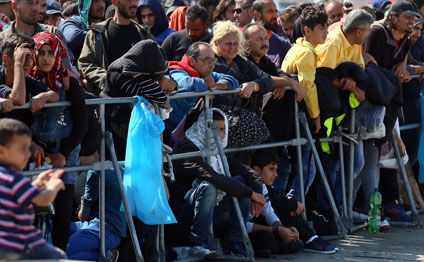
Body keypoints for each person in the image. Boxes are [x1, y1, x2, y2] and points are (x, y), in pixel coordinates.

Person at [168, 108, 265, 256]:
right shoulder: (187, 151)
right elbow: (212, 176)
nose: (217, 134)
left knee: (241, 181)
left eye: (221, 129)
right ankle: (198, 242)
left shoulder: (217, 152)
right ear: (202, 127)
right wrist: (251, 193)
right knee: (209, 186)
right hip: (183, 215)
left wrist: (256, 192)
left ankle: (234, 241)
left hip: (211, 214)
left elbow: (248, 172)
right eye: (212, 128)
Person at [29, 31, 88, 251]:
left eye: (50, 53)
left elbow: (82, 123)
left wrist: (62, 153)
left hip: (66, 156)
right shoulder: (29, 81)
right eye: (41, 53)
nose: (45, 58)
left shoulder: (68, 82)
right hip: (37, 156)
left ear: (57, 55)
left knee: (63, 216)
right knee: (35, 215)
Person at [364, 0, 418, 222]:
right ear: (393, 17)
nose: (412, 22)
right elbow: (368, 64)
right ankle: (365, 207)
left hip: (390, 101)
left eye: (414, 18)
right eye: (408, 18)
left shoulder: (405, 35)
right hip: (372, 102)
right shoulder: (376, 32)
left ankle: (390, 204)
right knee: (369, 156)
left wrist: (403, 67)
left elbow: (401, 59)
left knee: (388, 154)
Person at [249, 149, 338, 256]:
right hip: (243, 232)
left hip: (262, 224)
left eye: (276, 170)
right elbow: (242, 225)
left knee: (289, 218)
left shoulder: (262, 186)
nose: (276, 174)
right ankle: (304, 240)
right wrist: (276, 229)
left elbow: (269, 213)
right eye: (271, 169)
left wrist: (282, 228)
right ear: (257, 170)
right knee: (268, 238)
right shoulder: (246, 187)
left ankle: (309, 238)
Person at [0, 118, 66, 259]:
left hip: (3, 245)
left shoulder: (5, 177)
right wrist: (53, 186)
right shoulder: (15, 177)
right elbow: (43, 199)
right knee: (60, 256)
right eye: (22, 149)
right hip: (22, 244)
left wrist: (37, 183)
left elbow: (18, 195)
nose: (28, 154)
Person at [104, 39, 176, 160]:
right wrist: (138, 75)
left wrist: (172, 85)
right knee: (121, 165)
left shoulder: (149, 67)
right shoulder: (117, 74)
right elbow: (158, 96)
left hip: (138, 126)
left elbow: (171, 85)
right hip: (117, 124)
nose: (154, 77)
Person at [78, 0, 154, 96]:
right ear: (114, 1)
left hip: (139, 103)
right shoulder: (97, 33)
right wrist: (109, 80)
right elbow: (86, 64)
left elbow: (158, 64)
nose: (134, 3)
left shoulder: (143, 33)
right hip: (108, 103)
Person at [166, 42, 239, 131]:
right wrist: (205, 83)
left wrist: (216, 86)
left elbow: (233, 80)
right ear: (192, 61)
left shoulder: (204, 73)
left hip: (180, 130)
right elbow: (183, 84)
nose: (212, 65)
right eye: (207, 60)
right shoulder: (177, 70)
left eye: (214, 60)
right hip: (163, 131)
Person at [211, 20, 273, 115]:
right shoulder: (212, 64)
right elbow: (238, 79)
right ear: (216, 43)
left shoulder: (242, 61)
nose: (232, 48)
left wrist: (254, 85)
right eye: (228, 44)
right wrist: (250, 83)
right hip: (221, 118)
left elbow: (267, 79)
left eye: (236, 43)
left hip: (247, 115)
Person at [66, 168, 126, 261]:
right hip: (101, 225)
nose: (77, 160)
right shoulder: (118, 168)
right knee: (56, 228)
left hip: (105, 229)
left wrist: (82, 207)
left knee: (64, 250)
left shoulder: (94, 171)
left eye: (80, 155)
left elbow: (83, 216)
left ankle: (106, 256)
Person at [0, 34, 59, 127]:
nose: (29, 63)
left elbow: (55, 95)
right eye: (23, 57)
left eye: (31, 57)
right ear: (6, 59)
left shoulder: (26, 79)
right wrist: (18, 64)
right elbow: (18, 100)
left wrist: (44, 96)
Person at [0, 0, 71, 69]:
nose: (35, 8)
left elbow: (66, 70)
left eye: (37, 3)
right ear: (14, 5)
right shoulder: (2, 39)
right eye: (29, 3)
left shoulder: (53, 34)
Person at [252, 0, 291, 68]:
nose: (276, 15)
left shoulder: (283, 45)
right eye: (270, 11)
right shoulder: (246, 43)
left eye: (276, 11)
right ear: (257, 14)